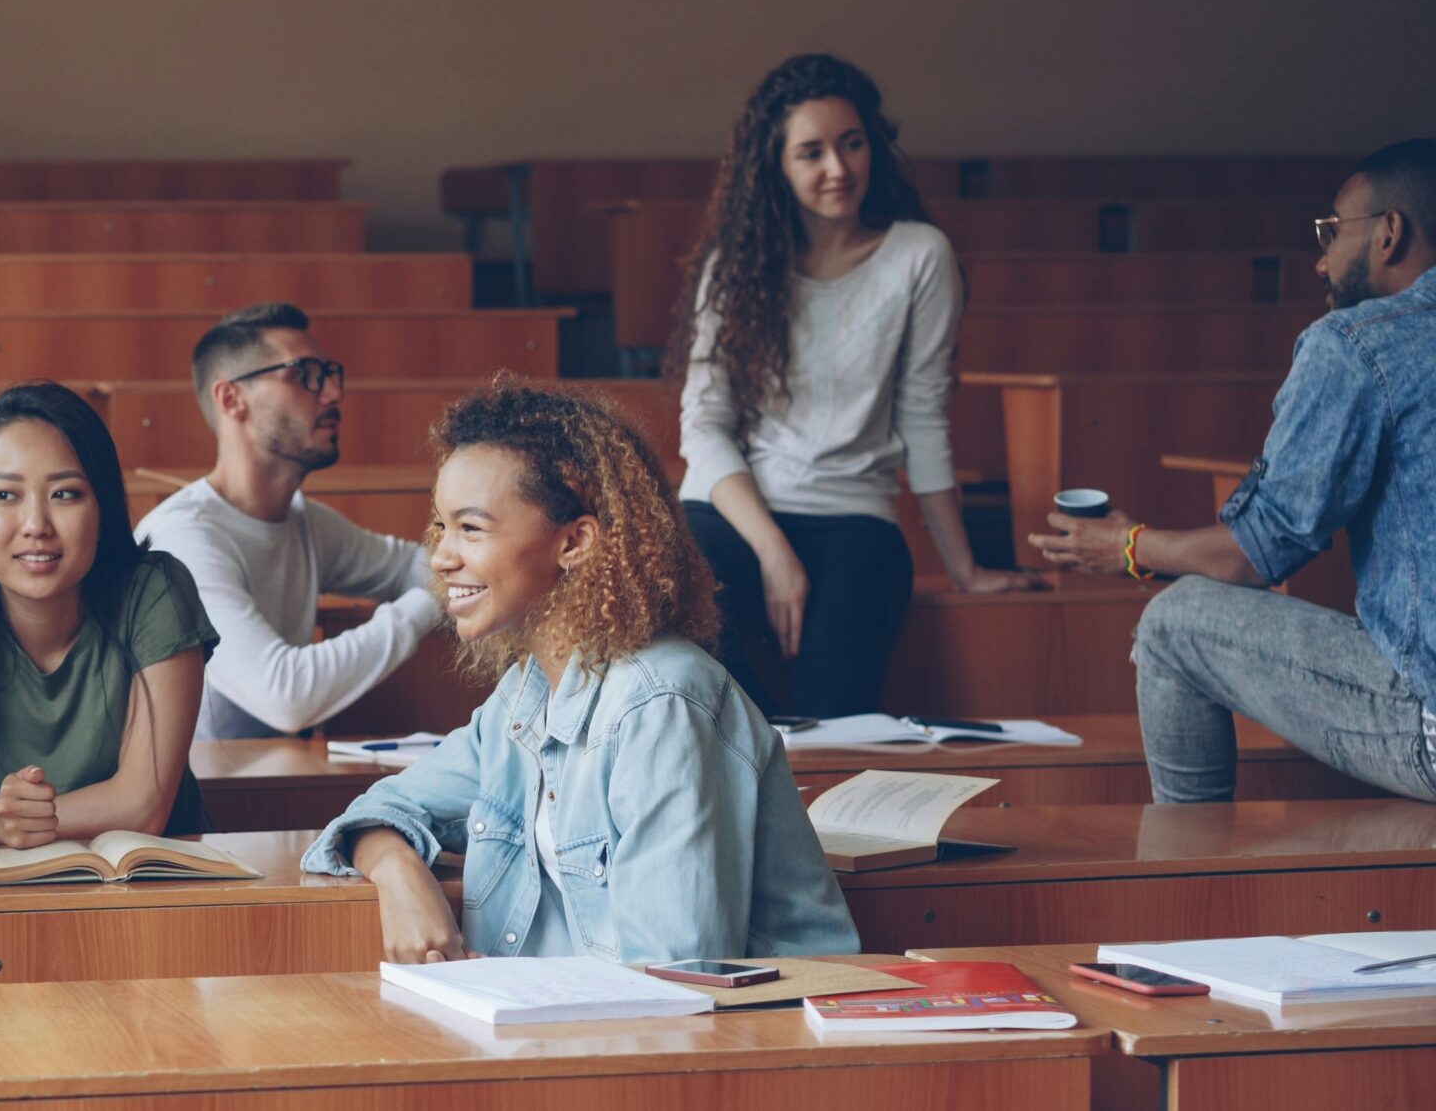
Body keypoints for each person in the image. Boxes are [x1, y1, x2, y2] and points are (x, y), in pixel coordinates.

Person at [302, 381, 858, 965]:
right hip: (573, 1027)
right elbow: (380, 809)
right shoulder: (525, 694)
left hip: (714, 1042)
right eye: (442, 527)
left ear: (575, 542)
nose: (440, 557)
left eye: (471, 528)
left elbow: (677, 977)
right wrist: (397, 871)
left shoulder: (661, 703)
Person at [1031, 139, 1436, 804]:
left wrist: (1126, 546)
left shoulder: (1361, 343)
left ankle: (1193, 884)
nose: (1320, 259)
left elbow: (1256, 554)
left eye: (1332, 231)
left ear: (1389, 233)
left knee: (1176, 623)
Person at [667, 53, 1039, 719]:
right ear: (776, 167)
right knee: (667, 604)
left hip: (852, 517)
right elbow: (704, 425)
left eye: (852, 143)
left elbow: (923, 417)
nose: (838, 169)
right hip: (733, 513)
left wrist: (967, 569)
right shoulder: (737, 267)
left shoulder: (919, 256)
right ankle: (758, 751)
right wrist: (775, 553)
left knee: (838, 713)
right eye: (811, 152)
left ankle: (799, 780)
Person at [0, 381, 218, 850]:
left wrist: (14, 823)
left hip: (150, 891)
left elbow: (142, 805)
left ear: (102, 506)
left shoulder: (154, 591)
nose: (35, 526)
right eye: (5, 496)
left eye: (65, 494)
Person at [133, 302, 444, 738]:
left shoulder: (305, 522)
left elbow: (425, 566)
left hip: (272, 780)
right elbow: (286, 697)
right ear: (232, 398)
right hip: (201, 798)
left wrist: (458, 580)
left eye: (330, 375)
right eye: (303, 374)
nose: (333, 394)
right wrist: (436, 600)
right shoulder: (182, 540)